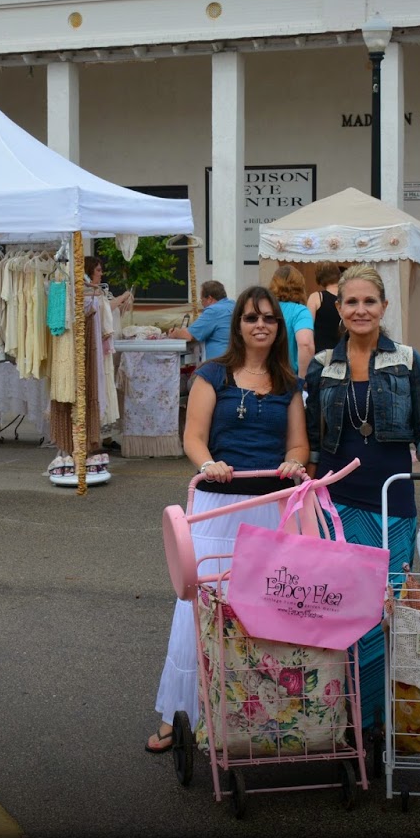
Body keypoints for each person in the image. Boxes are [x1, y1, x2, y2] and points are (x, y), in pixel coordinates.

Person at [303, 263, 420, 732]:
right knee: (335, 608)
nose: (360, 310)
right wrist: (303, 498)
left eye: (369, 301)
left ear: (384, 306)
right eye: (351, 302)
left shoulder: (409, 362)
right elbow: (312, 444)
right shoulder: (321, 366)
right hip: (334, 506)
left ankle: (374, 724)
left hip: (392, 506)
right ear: (339, 308)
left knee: (381, 612)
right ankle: (335, 717)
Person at [147, 285, 309, 752]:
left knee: (264, 610)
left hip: (270, 510)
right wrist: (208, 464)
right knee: (199, 608)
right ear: (238, 324)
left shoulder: (288, 382)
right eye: (251, 317)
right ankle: (178, 714)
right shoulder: (212, 374)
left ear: (278, 327)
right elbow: (193, 436)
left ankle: (252, 718)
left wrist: (295, 462)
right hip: (217, 508)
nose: (261, 325)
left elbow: (299, 444)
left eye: (269, 319)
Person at [166, 279, 233, 360]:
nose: (202, 304)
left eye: (202, 300)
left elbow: (189, 335)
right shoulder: (233, 305)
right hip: (236, 358)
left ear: (210, 299)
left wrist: (175, 332)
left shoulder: (214, 310)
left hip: (219, 361)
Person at [268, 263, 315, 377]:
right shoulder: (300, 311)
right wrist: (303, 379)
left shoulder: (265, 308)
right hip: (289, 377)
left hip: (262, 374)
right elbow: (305, 344)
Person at [306, 262, 343, 353]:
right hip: (343, 351)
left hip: (321, 353)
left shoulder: (316, 297)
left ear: (320, 279)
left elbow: (308, 328)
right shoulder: (348, 297)